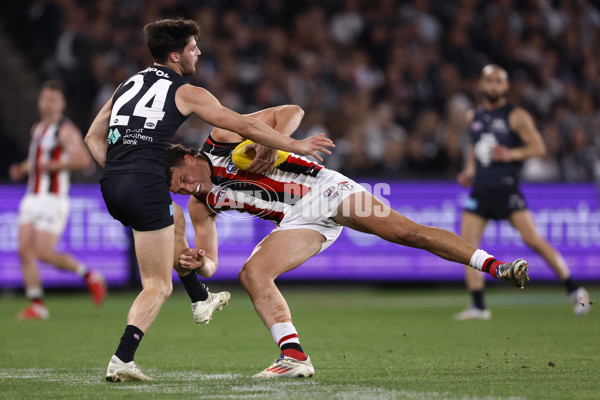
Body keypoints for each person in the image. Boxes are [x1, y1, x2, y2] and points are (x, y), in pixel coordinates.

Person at [166, 104, 530, 379]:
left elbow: (292, 111)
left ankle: (495, 266)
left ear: (186, 156)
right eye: (176, 191)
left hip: (324, 188)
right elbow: (212, 262)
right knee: (252, 274)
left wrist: (271, 144)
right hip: (298, 221)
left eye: (180, 180)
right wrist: (200, 264)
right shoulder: (201, 205)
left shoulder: (222, 138)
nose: (184, 190)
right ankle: (294, 357)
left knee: (405, 232)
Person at [84, 19, 334, 382]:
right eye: (192, 47)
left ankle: (200, 296)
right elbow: (244, 125)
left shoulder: (126, 84)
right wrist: (295, 144)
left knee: (177, 222)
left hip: (113, 183)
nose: (197, 52)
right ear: (175, 55)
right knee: (157, 284)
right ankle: (123, 358)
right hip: (145, 182)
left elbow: (93, 135)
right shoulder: (186, 91)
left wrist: (120, 169)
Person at [454, 65, 590, 321]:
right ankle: (479, 307)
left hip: (506, 190)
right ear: (481, 85)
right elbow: (476, 148)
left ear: (505, 87)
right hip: (480, 190)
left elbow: (538, 148)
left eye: (498, 81)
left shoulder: (516, 116)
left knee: (533, 240)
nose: (493, 85)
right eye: (489, 81)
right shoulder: (472, 117)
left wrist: (511, 154)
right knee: (467, 249)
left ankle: (574, 290)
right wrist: (468, 170)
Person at [8, 80, 105, 321]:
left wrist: (57, 165)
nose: (48, 103)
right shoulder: (38, 128)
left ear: (62, 103)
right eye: (45, 98)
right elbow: (38, 159)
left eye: (53, 99)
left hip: (52, 199)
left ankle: (89, 275)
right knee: (24, 251)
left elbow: (84, 161)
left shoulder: (65, 130)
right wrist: (22, 168)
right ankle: (37, 304)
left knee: (43, 252)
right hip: (32, 197)